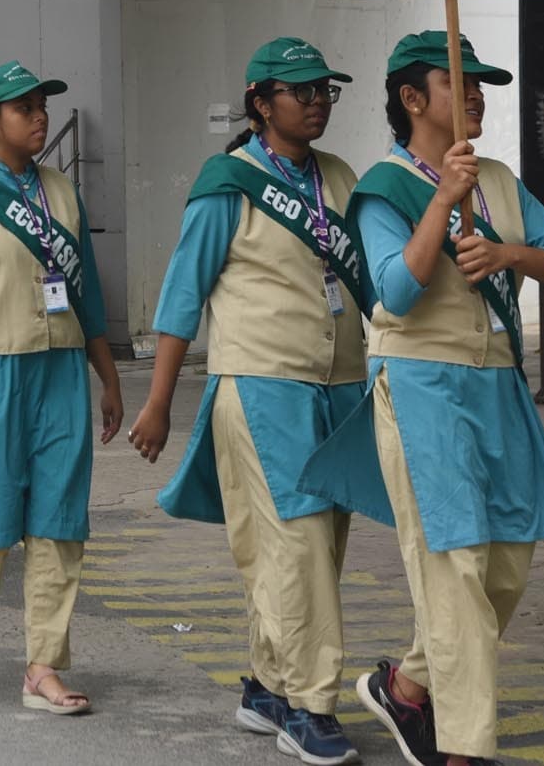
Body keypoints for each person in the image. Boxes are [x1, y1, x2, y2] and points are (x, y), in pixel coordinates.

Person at [301, 32, 544, 766]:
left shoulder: (499, 179)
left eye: (480, 83)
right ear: (412, 99)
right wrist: (443, 201)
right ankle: (464, 748)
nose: (476, 94)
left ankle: (407, 684)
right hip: (422, 383)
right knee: (453, 565)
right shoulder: (383, 188)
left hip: (498, 383)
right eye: (459, 82)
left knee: (507, 560)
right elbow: (394, 290)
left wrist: (509, 253)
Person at [131, 40, 373, 757]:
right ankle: (310, 704)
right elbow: (182, 297)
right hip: (263, 384)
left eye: (325, 90)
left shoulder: (339, 176)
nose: (318, 102)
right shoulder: (227, 183)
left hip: (339, 384)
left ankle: (268, 684)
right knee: (297, 543)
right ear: (260, 104)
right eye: (302, 91)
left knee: (315, 545)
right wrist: (158, 403)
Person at [0, 63, 124, 713]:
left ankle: (43, 666)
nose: (39, 117)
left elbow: (87, 292)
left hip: (60, 370)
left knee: (60, 518)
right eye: (23, 108)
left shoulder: (61, 191)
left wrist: (108, 375)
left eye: (42, 106)